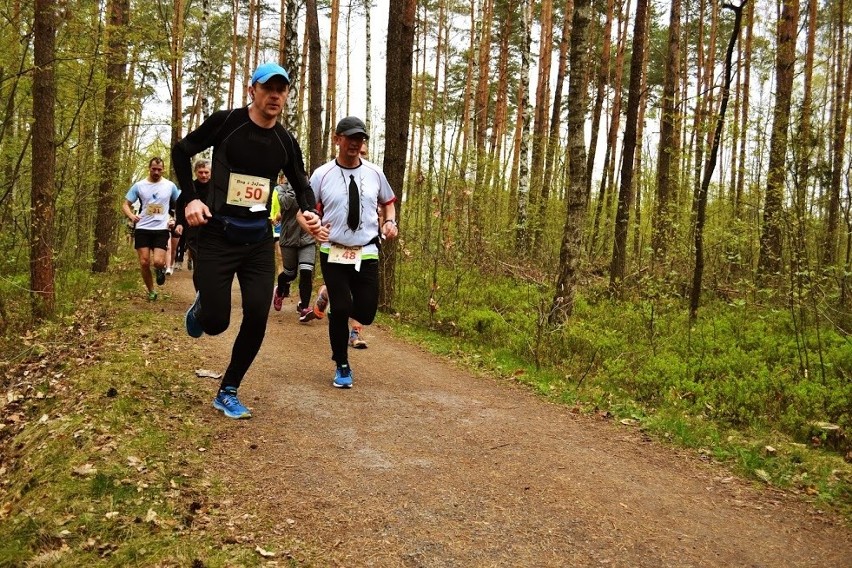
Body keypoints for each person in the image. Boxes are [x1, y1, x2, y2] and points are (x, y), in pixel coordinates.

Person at [171, 62, 323, 419]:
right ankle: (203, 307)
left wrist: (309, 209)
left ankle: (228, 389)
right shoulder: (227, 122)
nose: (275, 95)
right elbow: (182, 150)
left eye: (282, 89)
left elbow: (301, 181)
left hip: (256, 242)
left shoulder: (284, 141)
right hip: (217, 236)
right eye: (268, 87)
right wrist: (191, 197)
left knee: (257, 316)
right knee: (216, 323)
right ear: (252, 89)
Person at [310, 116, 398, 388]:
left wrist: (390, 221)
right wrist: (314, 227)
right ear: (337, 139)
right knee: (342, 307)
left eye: (359, 138)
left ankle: (326, 294)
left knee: (367, 312)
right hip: (333, 250)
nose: (355, 143)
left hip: (367, 250)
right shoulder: (321, 174)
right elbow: (309, 209)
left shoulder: (374, 173)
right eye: (349, 137)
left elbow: (389, 202)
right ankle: (342, 364)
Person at [122, 157, 180, 301]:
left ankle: (160, 269)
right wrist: (131, 216)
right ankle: (151, 291)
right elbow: (125, 204)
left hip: (161, 228)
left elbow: (181, 203)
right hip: (143, 227)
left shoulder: (170, 186)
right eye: (154, 169)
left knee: (158, 262)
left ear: (163, 169)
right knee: (144, 262)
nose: (156, 172)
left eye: (159, 169)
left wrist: (174, 219)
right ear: (149, 168)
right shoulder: (139, 185)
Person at [272, 174, 321, 320]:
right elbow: (286, 204)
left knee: (306, 272)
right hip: (288, 239)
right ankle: (280, 290)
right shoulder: (281, 189)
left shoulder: (311, 191)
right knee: (290, 273)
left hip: (307, 239)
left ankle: (304, 307)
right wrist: (296, 188)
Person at [175, 158, 211, 273]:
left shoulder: (217, 187)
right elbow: (179, 204)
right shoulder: (190, 188)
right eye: (200, 172)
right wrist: (179, 223)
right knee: (198, 260)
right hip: (193, 228)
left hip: (212, 228)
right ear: (195, 172)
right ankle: (200, 289)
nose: (204, 175)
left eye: (206, 172)